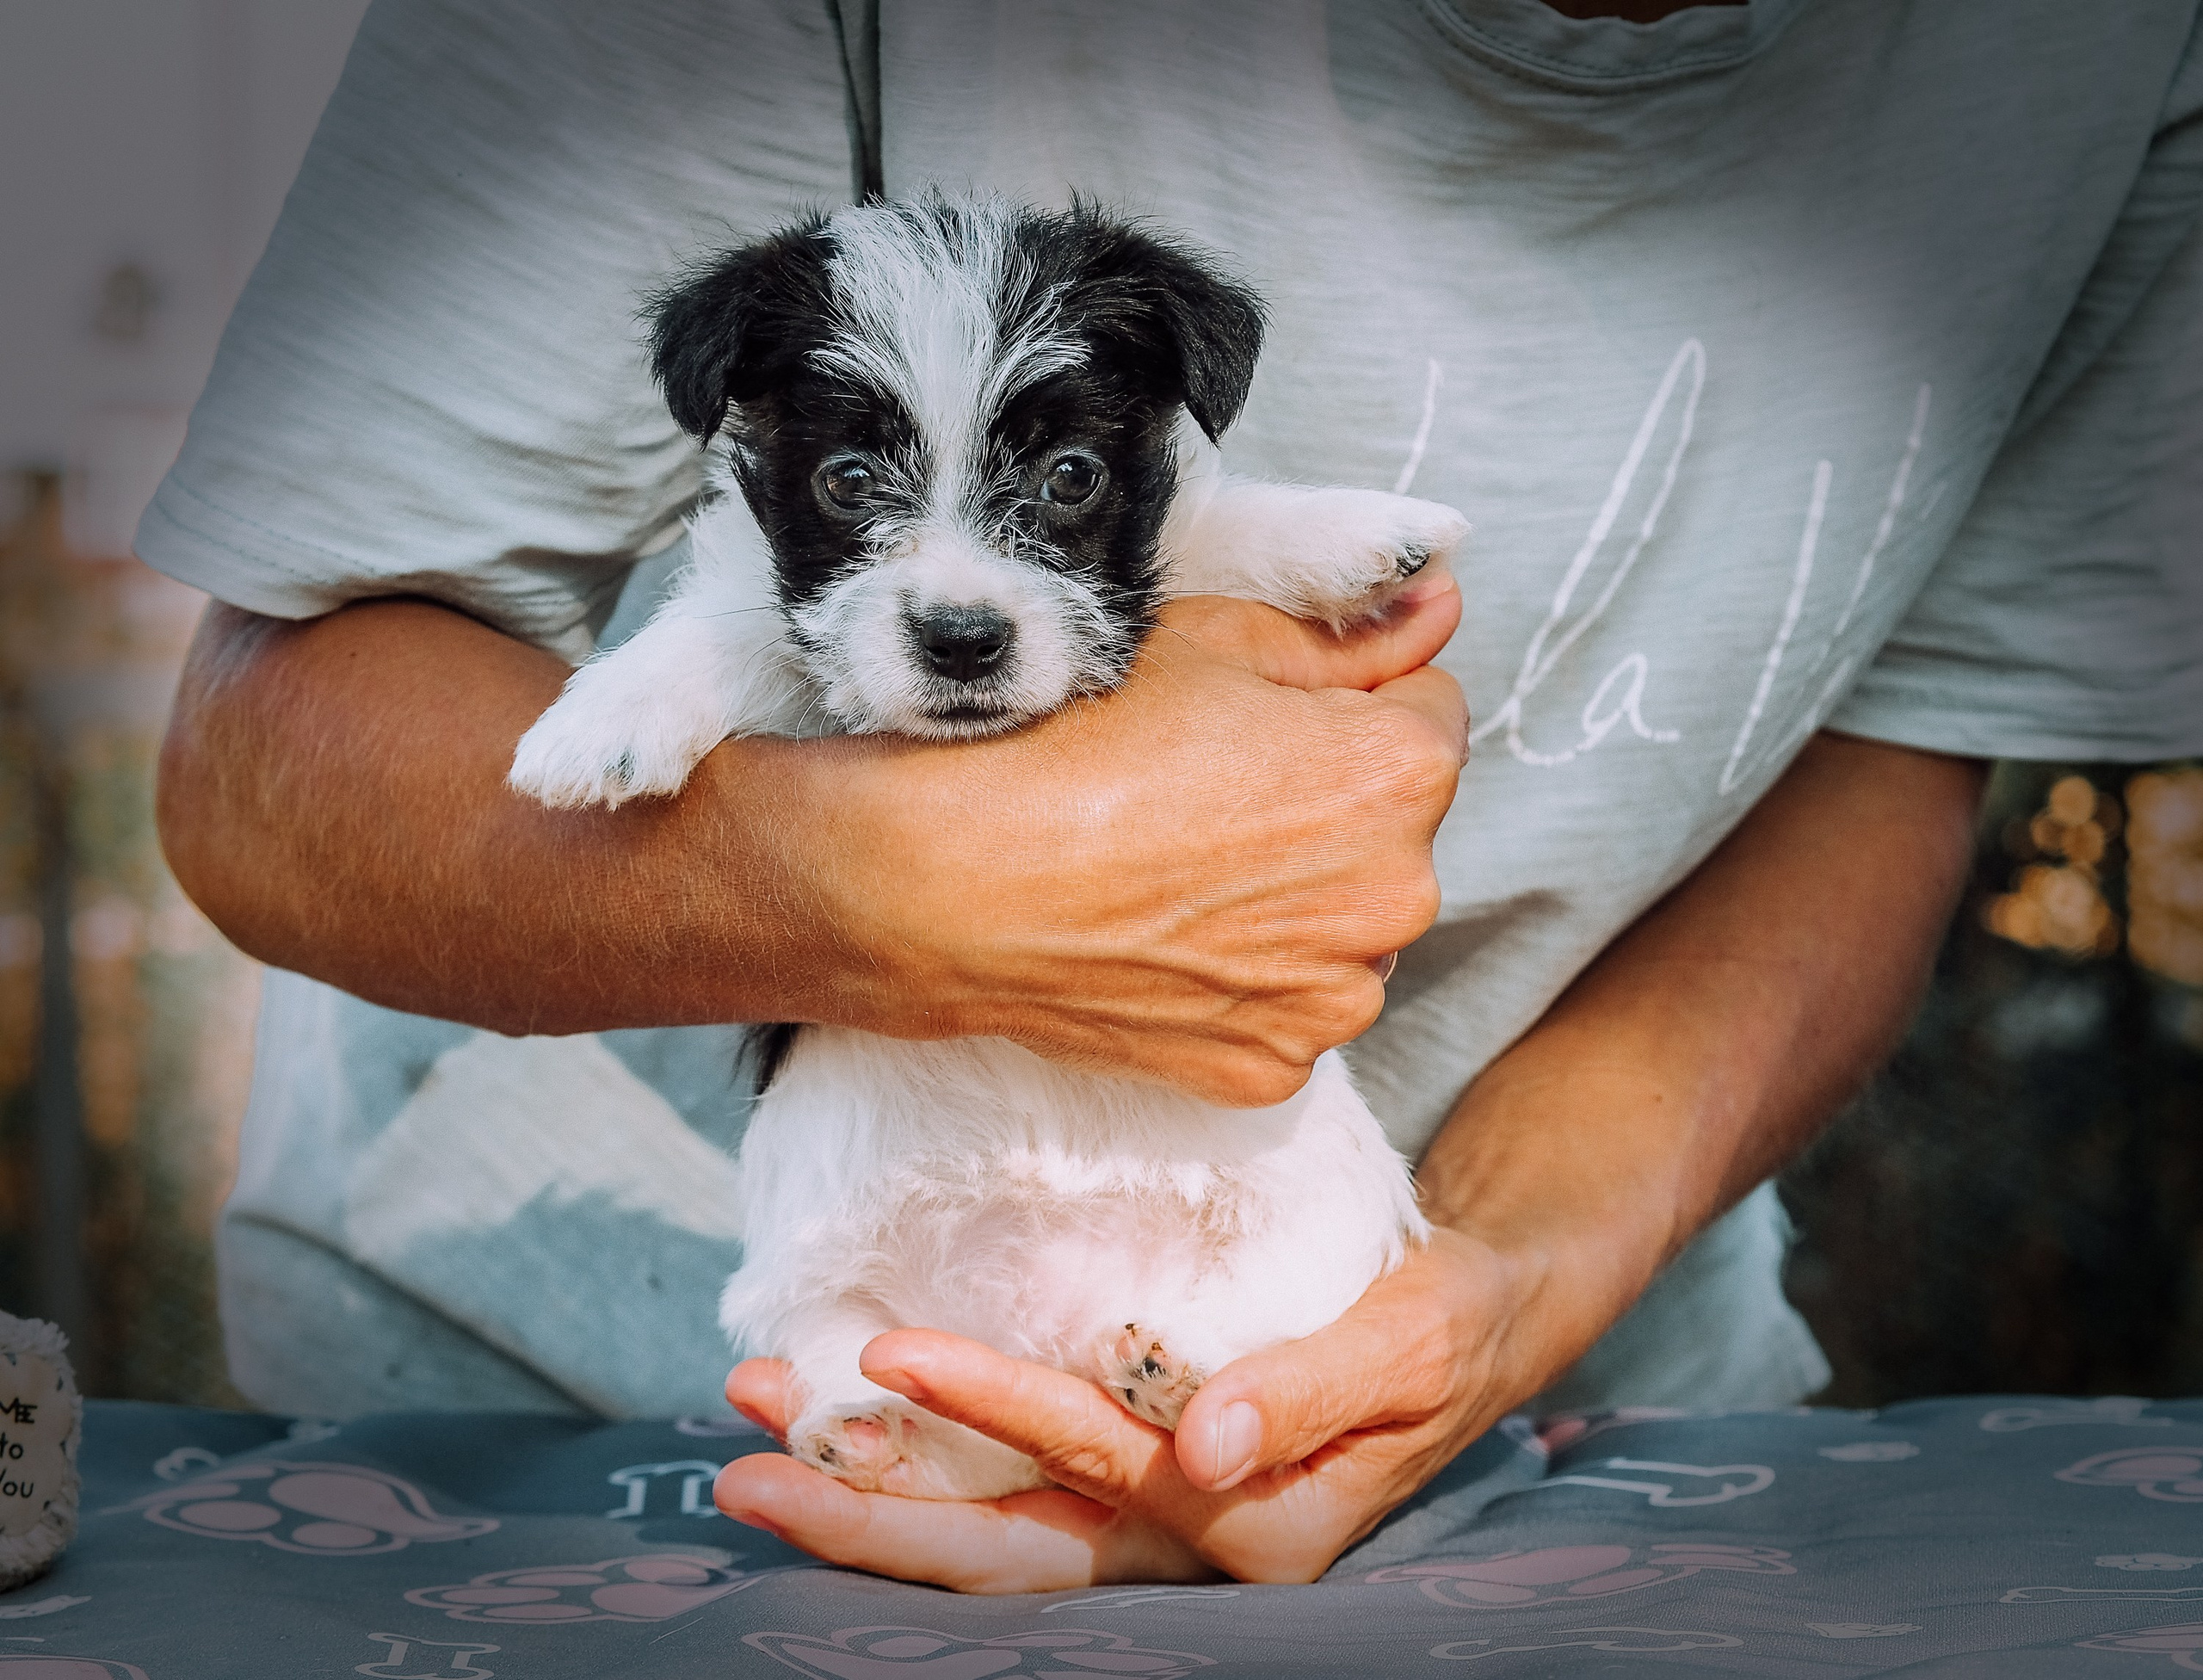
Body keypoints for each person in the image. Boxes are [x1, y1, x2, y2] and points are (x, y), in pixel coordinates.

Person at [148, 0, 2201, 1589]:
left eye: (1055, 486)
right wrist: (918, 892)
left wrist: (1484, 1306)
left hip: (1489, 1402)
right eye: (858, 483)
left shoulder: (2122, 54)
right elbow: (257, 751)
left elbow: (1897, 756)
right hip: (579, 1419)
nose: (956, 578)